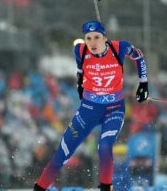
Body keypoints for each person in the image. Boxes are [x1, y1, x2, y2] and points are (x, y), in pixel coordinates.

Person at [33, 21, 149, 191]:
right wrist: (80, 85)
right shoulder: (80, 50)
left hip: (113, 109)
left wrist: (143, 84)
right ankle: (38, 188)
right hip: (89, 109)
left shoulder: (119, 48)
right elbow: (80, 70)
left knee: (104, 147)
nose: (92, 43)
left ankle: (105, 188)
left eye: (97, 37)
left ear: (105, 37)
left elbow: (138, 56)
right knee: (62, 153)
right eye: (88, 38)